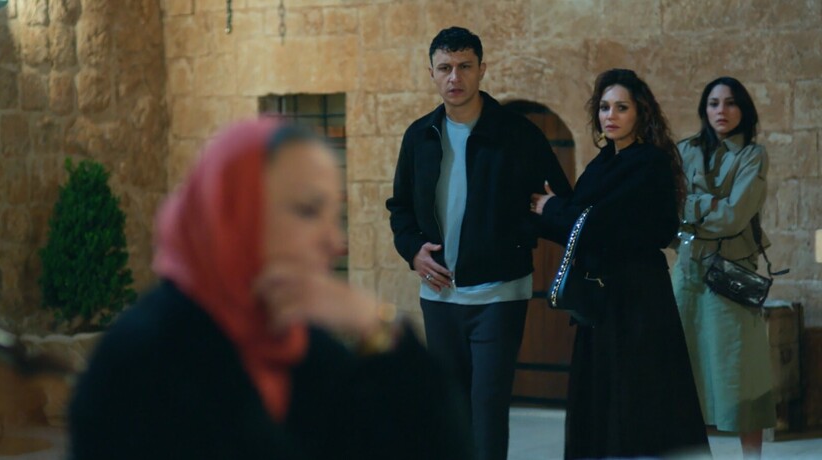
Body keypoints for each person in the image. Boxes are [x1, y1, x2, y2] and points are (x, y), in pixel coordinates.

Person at [68, 118, 474, 460]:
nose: (335, 242)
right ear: (234, 212)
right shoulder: (143, 359)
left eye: (336, 216)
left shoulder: (300, 347)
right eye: (308, 210)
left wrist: (376, 324)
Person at [385, 26, 572, 460]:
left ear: (482, 69)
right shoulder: (419, 135)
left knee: (487, 408)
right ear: (431, 73)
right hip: (439, 294)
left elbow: (557, 202)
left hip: (499, 293)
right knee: (450, 410)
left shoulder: (518, 134)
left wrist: (519, 236)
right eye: (445, 68)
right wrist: (413, 250)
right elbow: (400, 207)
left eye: (465, 66)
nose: (455, 77)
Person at [530, 69, 710, 459]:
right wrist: (540, 212)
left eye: (621, 108)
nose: (610, 115)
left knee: (637, 399)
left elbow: (601, 223)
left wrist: (554, 208)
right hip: (601, 300)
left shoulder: (649, 163)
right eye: (604, 107)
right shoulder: (601, 165)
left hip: (639, 298)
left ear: (640, 113)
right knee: (601, 399)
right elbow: (579, 228)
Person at [671, 76, 776, 459]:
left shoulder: (752, 155)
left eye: (730, 103)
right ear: (704, 109)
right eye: (714, 103)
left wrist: (693, 205)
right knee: (684, 373)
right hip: (687, 274)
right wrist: (709, 206)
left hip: (731, 275)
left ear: (743, 109)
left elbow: (733, 216)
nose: (722, 111)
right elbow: (670, 206)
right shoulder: (684, 150)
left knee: (741, 373)